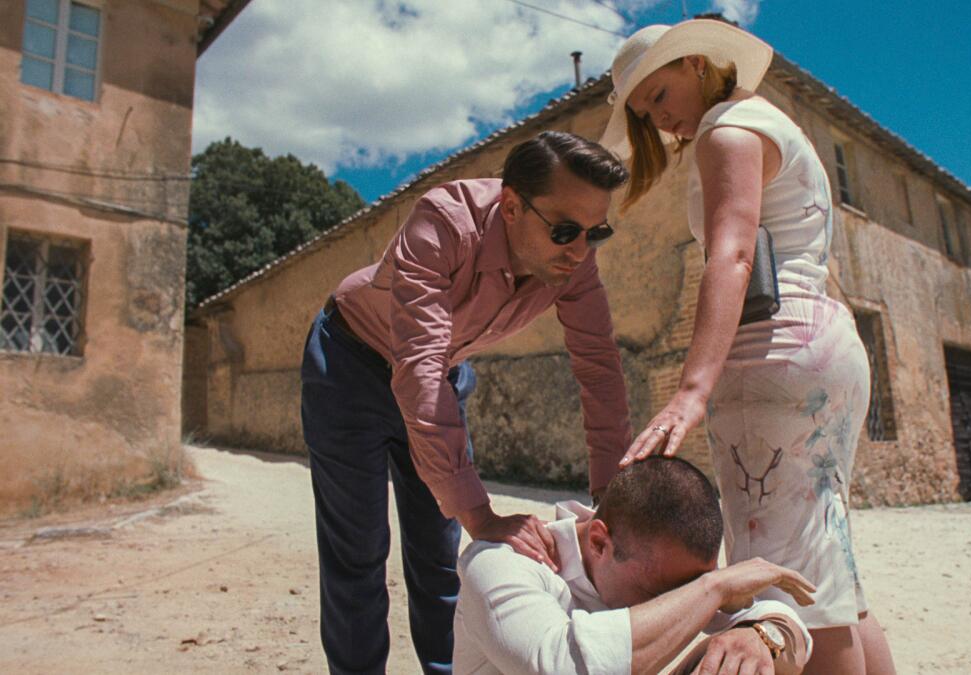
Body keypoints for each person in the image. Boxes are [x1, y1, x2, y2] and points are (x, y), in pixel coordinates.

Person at [600, 19, 897, 674]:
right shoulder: (764, 121)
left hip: (771, 348)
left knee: (793, 585)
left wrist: (692, 389)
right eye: (646, 111)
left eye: (660, 94)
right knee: (830, 568)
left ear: (699, 64)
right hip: (817, 340)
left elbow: (732, 254)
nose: (661, 118)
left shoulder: (726, 130)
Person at [300, 131, 635, 674]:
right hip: (350, 367)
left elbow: (598, 368)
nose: (578, 250)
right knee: (358, 555)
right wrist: (480, 513)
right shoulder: (444, 221)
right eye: (565, 230)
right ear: (510, 206)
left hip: (440, 376)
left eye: (596, 233)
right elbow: (419, 369)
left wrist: (612, 495)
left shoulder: (574, 263)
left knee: (439, 559)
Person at [454, 456, 815, 674]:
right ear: (599, 542)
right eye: (658, 595)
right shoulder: (500, 564)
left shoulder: (659, 567)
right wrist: (711, 589)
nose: (674, 604)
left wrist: (759, 637)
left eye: (689, 588)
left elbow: (789, 626)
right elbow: (563, 667)